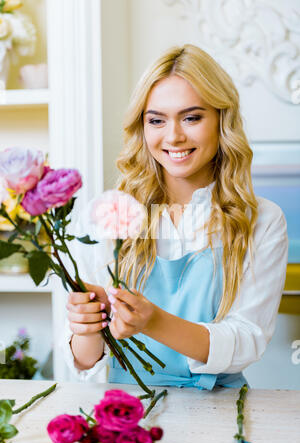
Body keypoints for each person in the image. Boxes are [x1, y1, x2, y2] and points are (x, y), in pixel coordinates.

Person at [61, 44, 288, 389]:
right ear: (142, 127)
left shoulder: (262, 221)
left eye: (192, 117)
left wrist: (154, 322)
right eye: (156, 120)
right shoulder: (109, 216)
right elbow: (86, 360)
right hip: (126, 413)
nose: (174, 136)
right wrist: (86, 325)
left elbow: (247, 341)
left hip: (221, 412)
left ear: (221, 121)